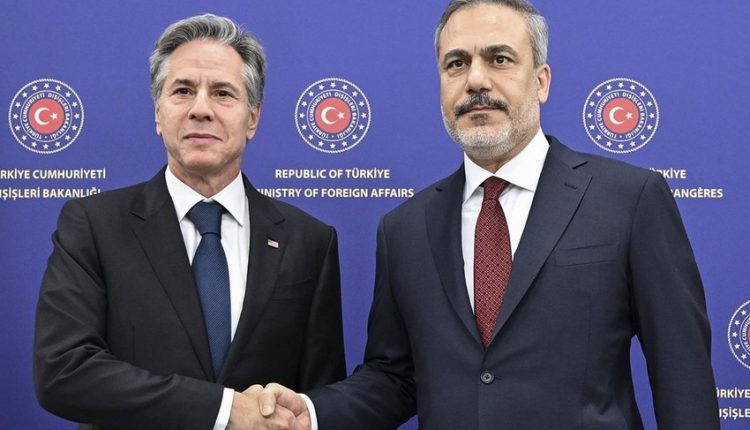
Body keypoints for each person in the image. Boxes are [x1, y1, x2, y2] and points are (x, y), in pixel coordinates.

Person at [257, 0, 720, 428]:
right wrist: (311, 412)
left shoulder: (629, 199)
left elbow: (682, 377)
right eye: (456, 63)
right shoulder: (404, 229)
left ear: (541, 81)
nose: (476, 80)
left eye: (499, 59)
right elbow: (395, 378)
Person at [33, 14, 345, 430]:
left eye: (222, 93)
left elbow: (319, 399)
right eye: (182, 91)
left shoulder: (309, 241)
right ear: (158, 113)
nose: (201, 109)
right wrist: (224, 410)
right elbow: (63, 371)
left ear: (252, 118)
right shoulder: (93, 226)